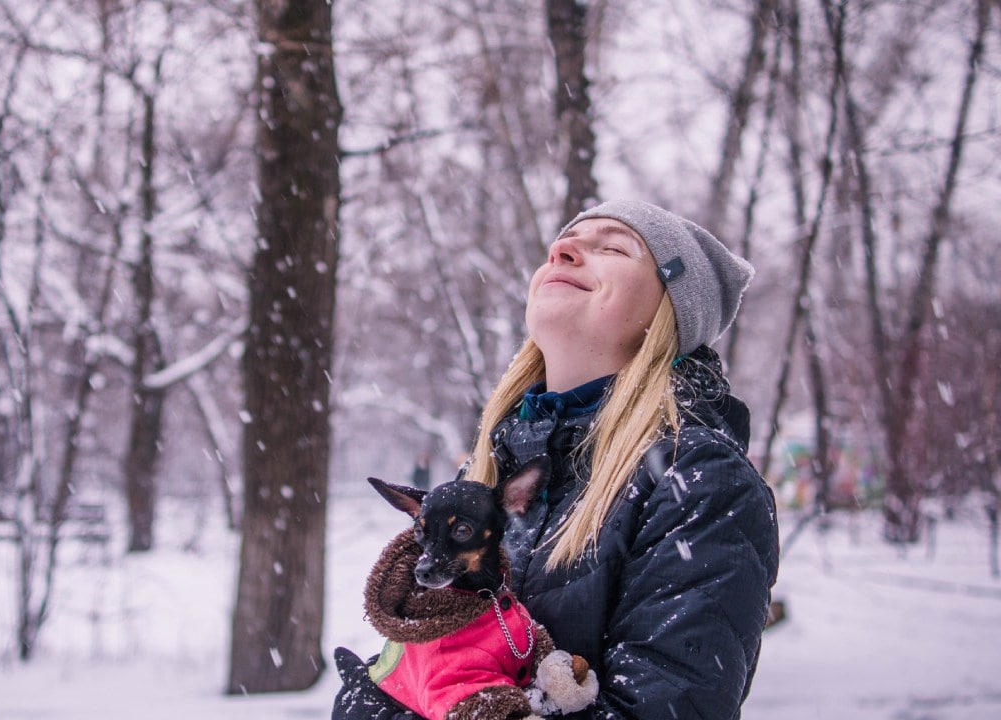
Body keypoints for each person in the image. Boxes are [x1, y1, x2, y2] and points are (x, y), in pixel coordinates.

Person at [333, 199, 780, 719]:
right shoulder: (492, 469)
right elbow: (421, 664)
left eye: (613, 247)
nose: (562, 249)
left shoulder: (700, 479)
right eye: (560, 246)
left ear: (669, 312)